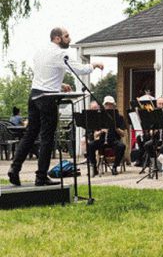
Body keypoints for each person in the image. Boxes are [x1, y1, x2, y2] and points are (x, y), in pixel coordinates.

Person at [8, 27, 103, 187]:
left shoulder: (40, 51)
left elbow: (45, 74)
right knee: (47, 138)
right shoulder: (60, 53)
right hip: (47, 99)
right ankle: (41, 176)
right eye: (67, 36)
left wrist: (60, 84)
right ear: (57, 38)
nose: (69, 39)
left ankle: (14, 168)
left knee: (30, 134)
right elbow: (79, 69)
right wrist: (93, 65)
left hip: (34, 95)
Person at [86, 96, 126, 176]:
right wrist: (101, 131)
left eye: (110, 104)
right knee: (90, 145)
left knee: (121, 146)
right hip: (101, 140)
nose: (108, 106)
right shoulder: (99, 117)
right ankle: (94, 167)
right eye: (107, 104)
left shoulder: (119, 117)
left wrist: (116, 128)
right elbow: (95, 135)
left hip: (113, 140)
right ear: (104, 105)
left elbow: (123, 134)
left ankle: (115, 167)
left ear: (114, 105)